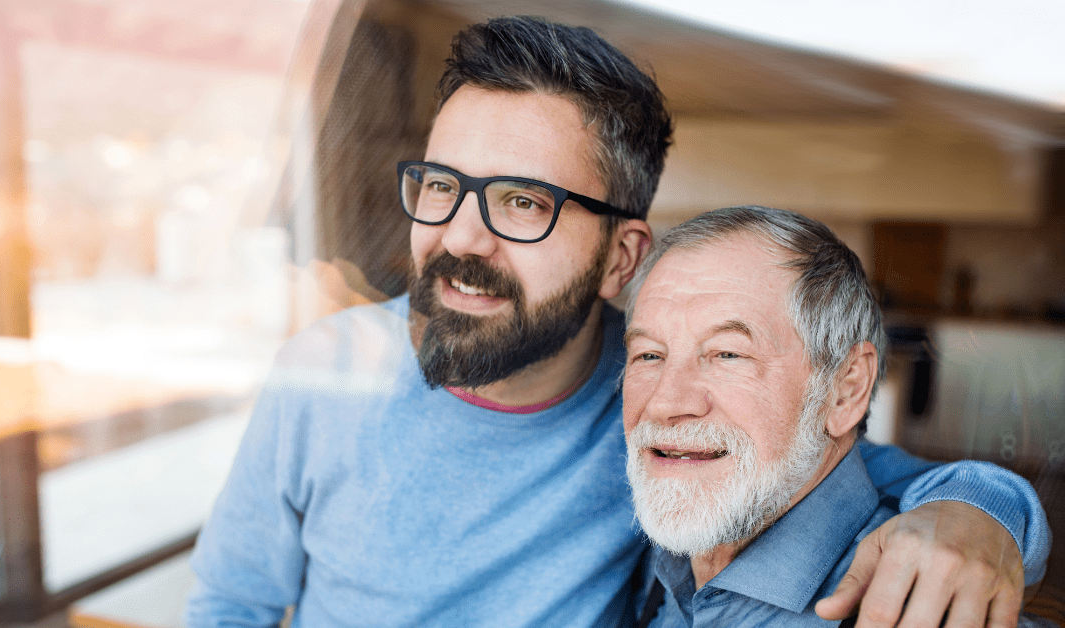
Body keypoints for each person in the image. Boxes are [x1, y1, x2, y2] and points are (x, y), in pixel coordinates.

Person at [187, 16, 1050, 628]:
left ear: (620, 260)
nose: (460, 236)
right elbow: (231, 603)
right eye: (443, 186)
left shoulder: (654, 407)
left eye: (522, 201)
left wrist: (984, 517)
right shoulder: (323, 375)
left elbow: (871, 474)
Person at [624, 206, 1053, 627]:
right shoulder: (662, 553)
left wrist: (989, 504)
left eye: (728, 354)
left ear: (846, 391)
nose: (664, 402)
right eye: (648, 354)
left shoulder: (930, 610)